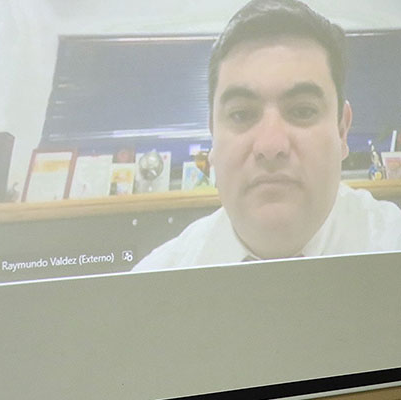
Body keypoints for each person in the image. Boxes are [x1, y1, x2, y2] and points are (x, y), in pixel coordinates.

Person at [134, 0, 401, 271]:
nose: (271, 146)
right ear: (213, 134)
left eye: (303, 110)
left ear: (342, 131)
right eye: (241, 114)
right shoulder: (148, 289)